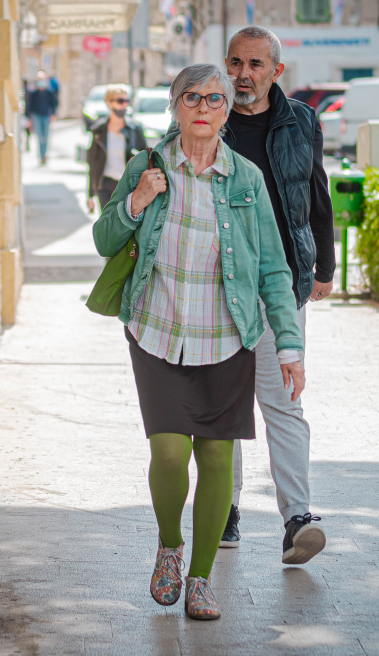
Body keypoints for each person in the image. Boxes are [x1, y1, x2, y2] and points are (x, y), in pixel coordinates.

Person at [93, 63, 305, 620]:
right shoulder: (148, 165)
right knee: (169, 452)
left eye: (216, 98)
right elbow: (104, 237)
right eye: (194, 97)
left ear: (227, 109)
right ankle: (169, 544)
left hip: (226, 334)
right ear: (175, 105)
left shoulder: (245, 181)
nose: (205, 107)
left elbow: (273, 269)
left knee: (216, 457)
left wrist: (289, 343)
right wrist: (137, 200)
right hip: (157, 329)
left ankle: (202, 579)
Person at [218, 25, 336, 564]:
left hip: (283, 284)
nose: (244, 75)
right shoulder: (208, 118)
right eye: (236, 63)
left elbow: (316, 192)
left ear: (275, 71)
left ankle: (297, 519)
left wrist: (325, 266)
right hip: (216, 287)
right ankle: (226, 508)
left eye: (255, 65)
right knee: (226, 405)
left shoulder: (301, 120)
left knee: (284, 401)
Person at [86, 85, 148, 213]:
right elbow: (92, 163)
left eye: (126, 101)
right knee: (107, 225)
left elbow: (146, 156)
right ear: (109, 103)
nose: (124, 105)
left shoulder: (135, 129)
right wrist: (90, 194)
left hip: (129, 186)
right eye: (120, 101)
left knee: (127, 226)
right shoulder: (99, 131)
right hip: (106, 185)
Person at [25, 71, 57, 165]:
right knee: (40, 136)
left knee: (46, 136)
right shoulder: (33, 93)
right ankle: (41, 155)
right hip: (36, 116)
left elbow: (54, 104)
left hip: (46, 115)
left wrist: (53, 115)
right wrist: (29, 119)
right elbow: (29, 106)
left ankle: (44, 155)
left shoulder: (49, 92)